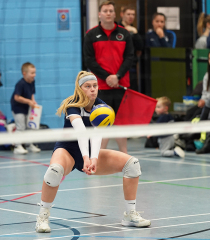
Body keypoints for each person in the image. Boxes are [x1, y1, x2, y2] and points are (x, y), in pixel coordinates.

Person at [35, 71, 151, 233]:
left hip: (90, 152)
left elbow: (96, 135)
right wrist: (85, 157)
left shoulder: (101, 107)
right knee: (54, 171)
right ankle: (43, 217)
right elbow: (81, 132)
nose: (92, 89)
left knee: (132, 164)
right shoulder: (72, 104)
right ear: (80, 88)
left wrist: (93, 159)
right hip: (68, 150)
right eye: (87, 86)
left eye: (95, 86)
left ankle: (130, 215)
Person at [83, 0, 134, 153]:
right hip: (100, 86)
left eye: (111, 11)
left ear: (115, 14)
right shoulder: (91, 35)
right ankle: (98, 156)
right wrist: (107, 77)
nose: (108, 13)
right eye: (105, 11)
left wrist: (117, 76)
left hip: (120, 84)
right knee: (101, 120)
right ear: (99, 14)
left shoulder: (124, 33)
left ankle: (124, 154)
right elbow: (89, 60)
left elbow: (130, 57)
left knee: (121, 121)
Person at [10, 62, 41, 154]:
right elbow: (16, 97)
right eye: (32, 73)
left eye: (34, 73)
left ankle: (29, 144)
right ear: (24, 73)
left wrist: (33, 101)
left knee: (30, 126)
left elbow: (31, 93)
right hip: (18, 108)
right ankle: (17, 146)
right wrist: (28, 101)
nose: (34, 75)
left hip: (27, 107)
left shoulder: (32, 82)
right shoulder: (20, 84)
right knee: (21, 127)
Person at [118, 5, 144, 91]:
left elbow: (140, 47)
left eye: (133, 14)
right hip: (119, 66)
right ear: (122, 14)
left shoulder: (134, 29)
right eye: (128, 14)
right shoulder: (117, 28)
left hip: (132, 67)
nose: (131, 16)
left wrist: (135, 32)